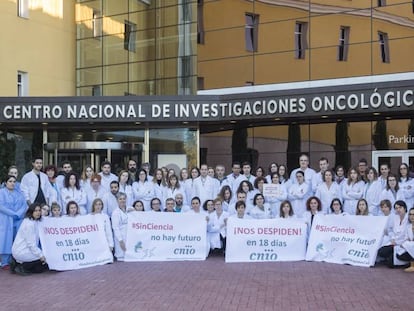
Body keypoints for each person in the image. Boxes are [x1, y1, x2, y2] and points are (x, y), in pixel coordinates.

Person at [11, 203, 49, 275]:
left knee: (41, 266)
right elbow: (31, 244)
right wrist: (41, 255)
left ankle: (17, 263)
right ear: (31, 212)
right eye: (35, 211)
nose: (38, 213)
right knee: (45, 262)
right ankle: (22, 267)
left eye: (39, 210)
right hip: (22, 250)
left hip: (26, 250)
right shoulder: (29, 224)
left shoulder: (34, 220)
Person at [0, 175, 27, 269]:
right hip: (6, 219)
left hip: (18, 219)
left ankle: (17, 260)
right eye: (10, 181)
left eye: (14, 181)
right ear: (5, 183)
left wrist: (18, 214)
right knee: (6, 240)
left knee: (18, 239)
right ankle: (5, 262)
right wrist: (13, 213)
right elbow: (1, 206)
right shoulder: (1, 192)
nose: (12, 183)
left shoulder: (19, 193)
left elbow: (24, 205)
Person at [377, 200, 409, 268]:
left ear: (405, 208)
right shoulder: (396, 218)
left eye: (400, 207)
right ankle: (391, 255)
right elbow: (390, 230)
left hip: (403, 245)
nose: (398, 210)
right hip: (394, 243)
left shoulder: (408, 219)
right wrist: (392, 239)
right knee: (381, 252)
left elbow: (408, 235)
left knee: (390, 264)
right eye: (396, 208)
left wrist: (400, 243)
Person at [111, 192, 129, 261]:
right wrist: (120, 241)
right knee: (122, 257)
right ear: (117, 200)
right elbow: (115, 228)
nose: (122, 200)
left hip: (130, 236)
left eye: (124, 199)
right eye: (120, 199)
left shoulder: (129, 209)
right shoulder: (115, 213)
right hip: (121, 237)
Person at [396, 207, 414, 272]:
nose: (412, 216)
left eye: (413, 215)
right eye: (410, 214)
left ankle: (412, 266)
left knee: (411, 245)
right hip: (410, 246)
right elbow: (406, 238)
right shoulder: (408, 226)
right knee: (398, 255)